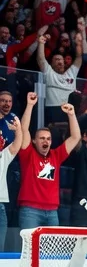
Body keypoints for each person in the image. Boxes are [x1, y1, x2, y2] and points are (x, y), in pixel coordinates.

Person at [16, 102, 78, 229]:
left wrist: (71, 114)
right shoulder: (28, 154)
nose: (46, 141)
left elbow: (75, 137)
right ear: (34, 141)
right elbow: (23, 129)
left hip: (52, 212)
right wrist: (29, 105)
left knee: (51, 249)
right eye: (42, 138)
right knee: (30, 248)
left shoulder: (56, 155)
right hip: (30, 211)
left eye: (48, 139)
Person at [0, 92, 35, 250]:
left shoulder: (13, 119)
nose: (6, 104)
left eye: (9, 101)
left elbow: (18, 144)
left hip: (8, 173)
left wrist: (18, 129)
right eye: (3, 101)